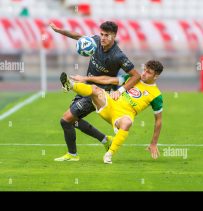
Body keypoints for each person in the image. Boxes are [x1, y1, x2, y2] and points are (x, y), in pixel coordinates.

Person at [50, 21, 140, 161]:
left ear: (114, 36)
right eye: (102, 34)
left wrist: (121, 90)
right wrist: (59, 31)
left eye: (107, 35)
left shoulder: (118, 56)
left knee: (66, 120)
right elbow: (79, 36)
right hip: (86, 87)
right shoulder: (96, 41)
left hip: (99, 93)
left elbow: (136, 76)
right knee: (71, 121)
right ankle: (105, 140)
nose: (103, 38)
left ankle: (73, 155)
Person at [62, 60, 163, 164]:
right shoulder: (133, 79)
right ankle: (71, 85)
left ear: (156, 76)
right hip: (110, 104)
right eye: (144, 70)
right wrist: (85, 78)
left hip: (123, 116)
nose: (144, 73)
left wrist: (154, 143)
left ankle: (109, 154)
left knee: (127, 123)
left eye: (148, 72)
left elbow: (158, 120)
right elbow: (108, 80)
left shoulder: (156, 95)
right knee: (95, 89)